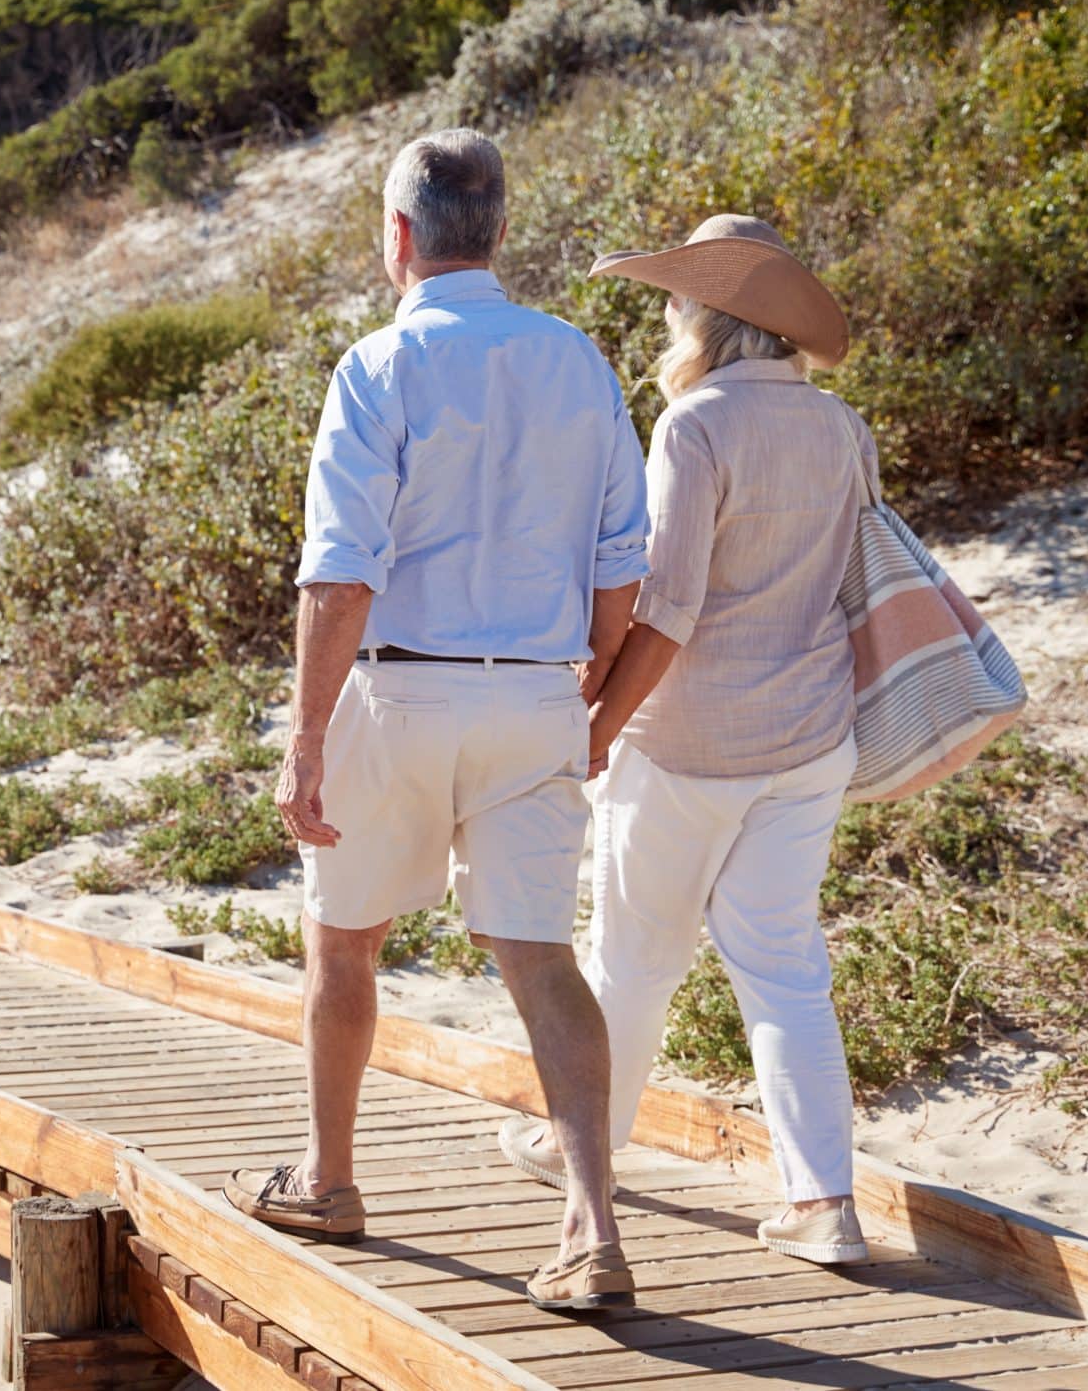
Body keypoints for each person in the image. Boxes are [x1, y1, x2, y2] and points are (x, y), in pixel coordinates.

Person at [223, 129, 653, 1315]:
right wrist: (591, 687)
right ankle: (591, 1227)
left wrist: (306, 739)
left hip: (403, 687)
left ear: (398, 237)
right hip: (537, 692)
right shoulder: (578, 360)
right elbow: (626, 561)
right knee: (539, 959)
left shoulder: (376, 366)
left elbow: (338, 575)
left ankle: (329, 1179)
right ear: (500, 233)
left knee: (342, 939)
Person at [497, 213, 878, 1266]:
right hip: (810, 739)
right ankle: (824, 1205)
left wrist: (597, 727)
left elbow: (665, 608)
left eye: (675, 300)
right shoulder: (840, 427)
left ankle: (588, 1148)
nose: (668, 315)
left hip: (689, 744)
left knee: (631, 957)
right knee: (787, 967)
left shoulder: (696, 424)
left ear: (707, 316)